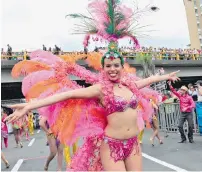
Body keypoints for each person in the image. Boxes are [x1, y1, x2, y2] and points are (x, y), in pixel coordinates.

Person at [4, 1, 180, 170]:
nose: (112, 69)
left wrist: (165, 76)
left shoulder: (130, 86)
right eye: (108, 66)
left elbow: (147, 81)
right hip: (112, 146)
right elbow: (67, 95)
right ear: (103, 68)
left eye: (116, 65)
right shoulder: (100, 89)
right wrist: (30, 105)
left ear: (121, 66)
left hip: (133, 144)